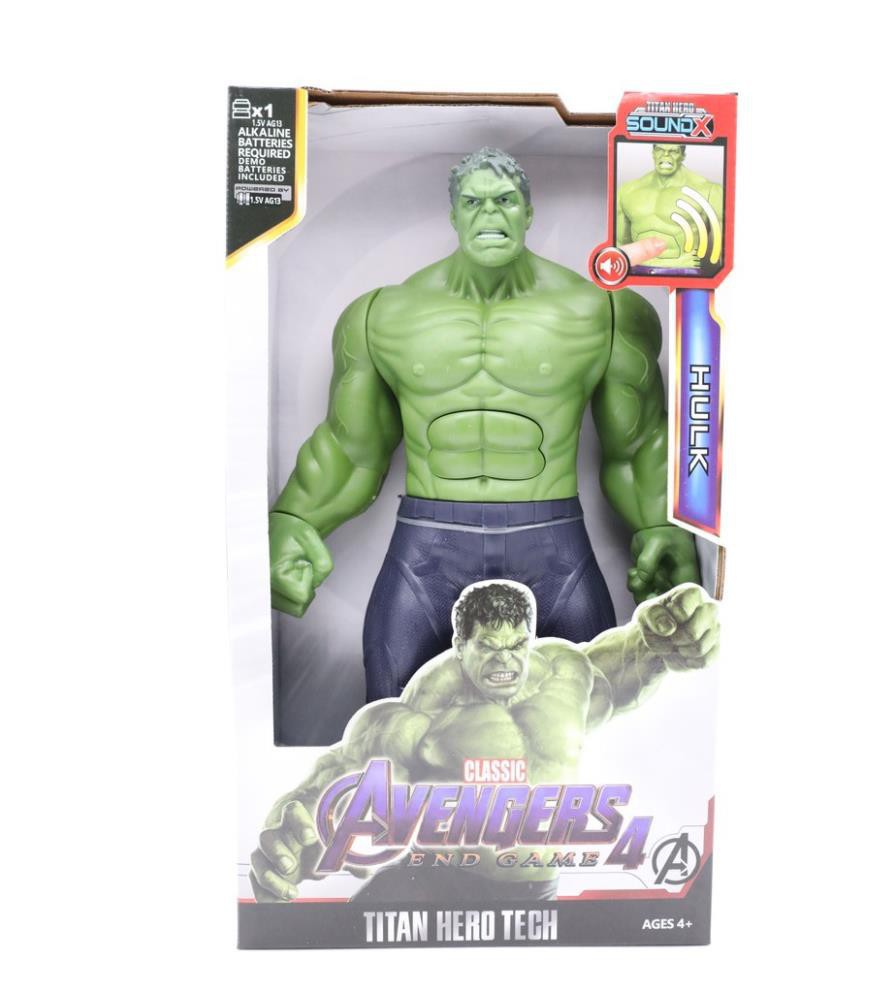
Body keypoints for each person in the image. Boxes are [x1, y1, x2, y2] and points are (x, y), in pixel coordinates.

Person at [270, 147, 699, 700]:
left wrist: (661, 527)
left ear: (528, 211)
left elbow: (637, 446)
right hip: (426, 552)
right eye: (473, 202)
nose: (489, 214)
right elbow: (352, 450)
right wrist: (294, 519)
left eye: (504, 201)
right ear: (453, 214)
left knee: (591, 719)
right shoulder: (383, 316)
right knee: (383, 721)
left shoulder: (601, 312)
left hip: (555, 551)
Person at [249, 579, 719, 903]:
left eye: (516, 646)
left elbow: (639, 652)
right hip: (438, 882)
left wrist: (677, 627)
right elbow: (335, 776)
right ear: (460, 645)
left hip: (538, 891)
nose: (505, 662)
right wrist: (288, 837)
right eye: (488, 648)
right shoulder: (424, 711)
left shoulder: (567, 673)